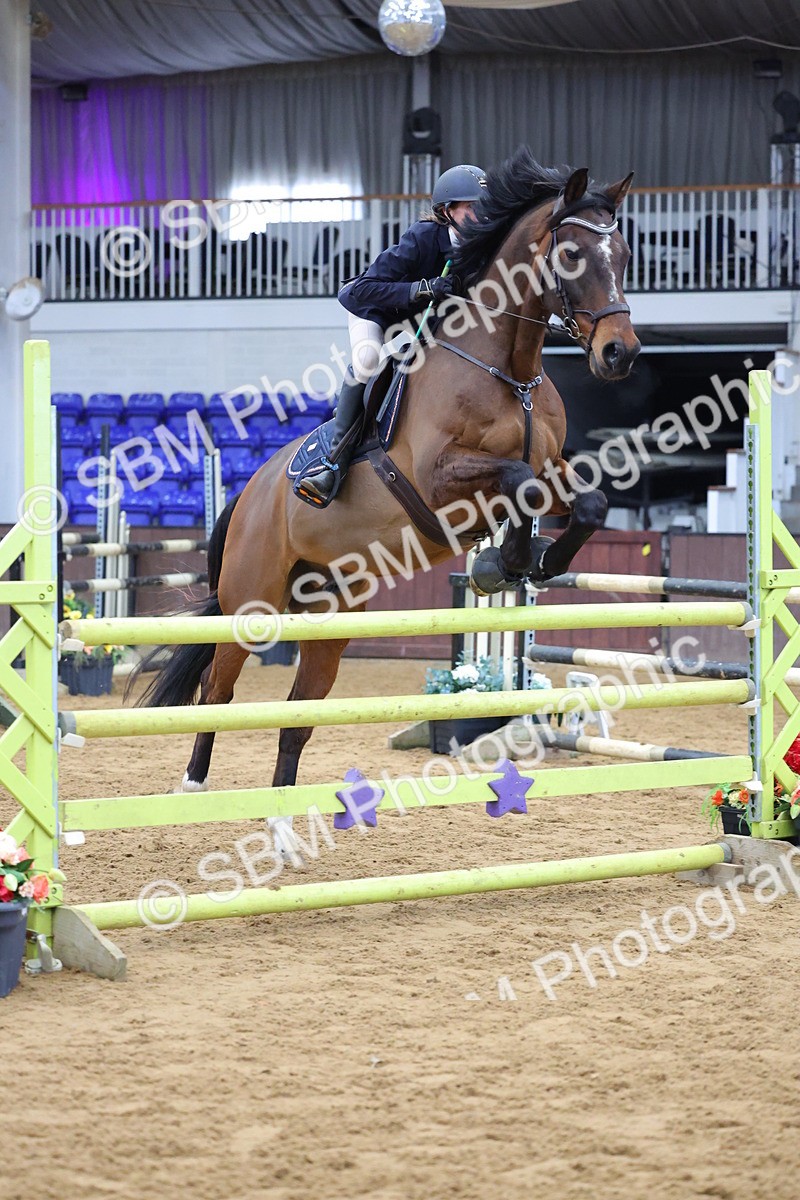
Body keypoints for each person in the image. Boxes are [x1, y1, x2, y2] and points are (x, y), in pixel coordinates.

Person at [298, 163, 487, 504]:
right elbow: (366, 288)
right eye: (473, 208)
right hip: (374, 309)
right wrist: (421, 288)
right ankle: (333, 464)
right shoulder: (423, 237)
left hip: (421, 322)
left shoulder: (480, 247)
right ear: (448, 211)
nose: (482, 215)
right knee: (369, 360)